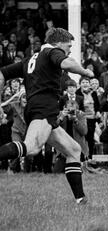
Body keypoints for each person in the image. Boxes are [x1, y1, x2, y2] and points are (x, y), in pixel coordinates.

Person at [0, 28, 94, 204]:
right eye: (68, 46)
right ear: (58, 43)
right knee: (32, 148)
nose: (69, 50)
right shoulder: (52, 51)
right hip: (44, 108)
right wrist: (85, 72)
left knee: (74, 150)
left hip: (40, 109)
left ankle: (81, 200)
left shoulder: (30, 59)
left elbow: (2, 73)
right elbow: (66, 63)